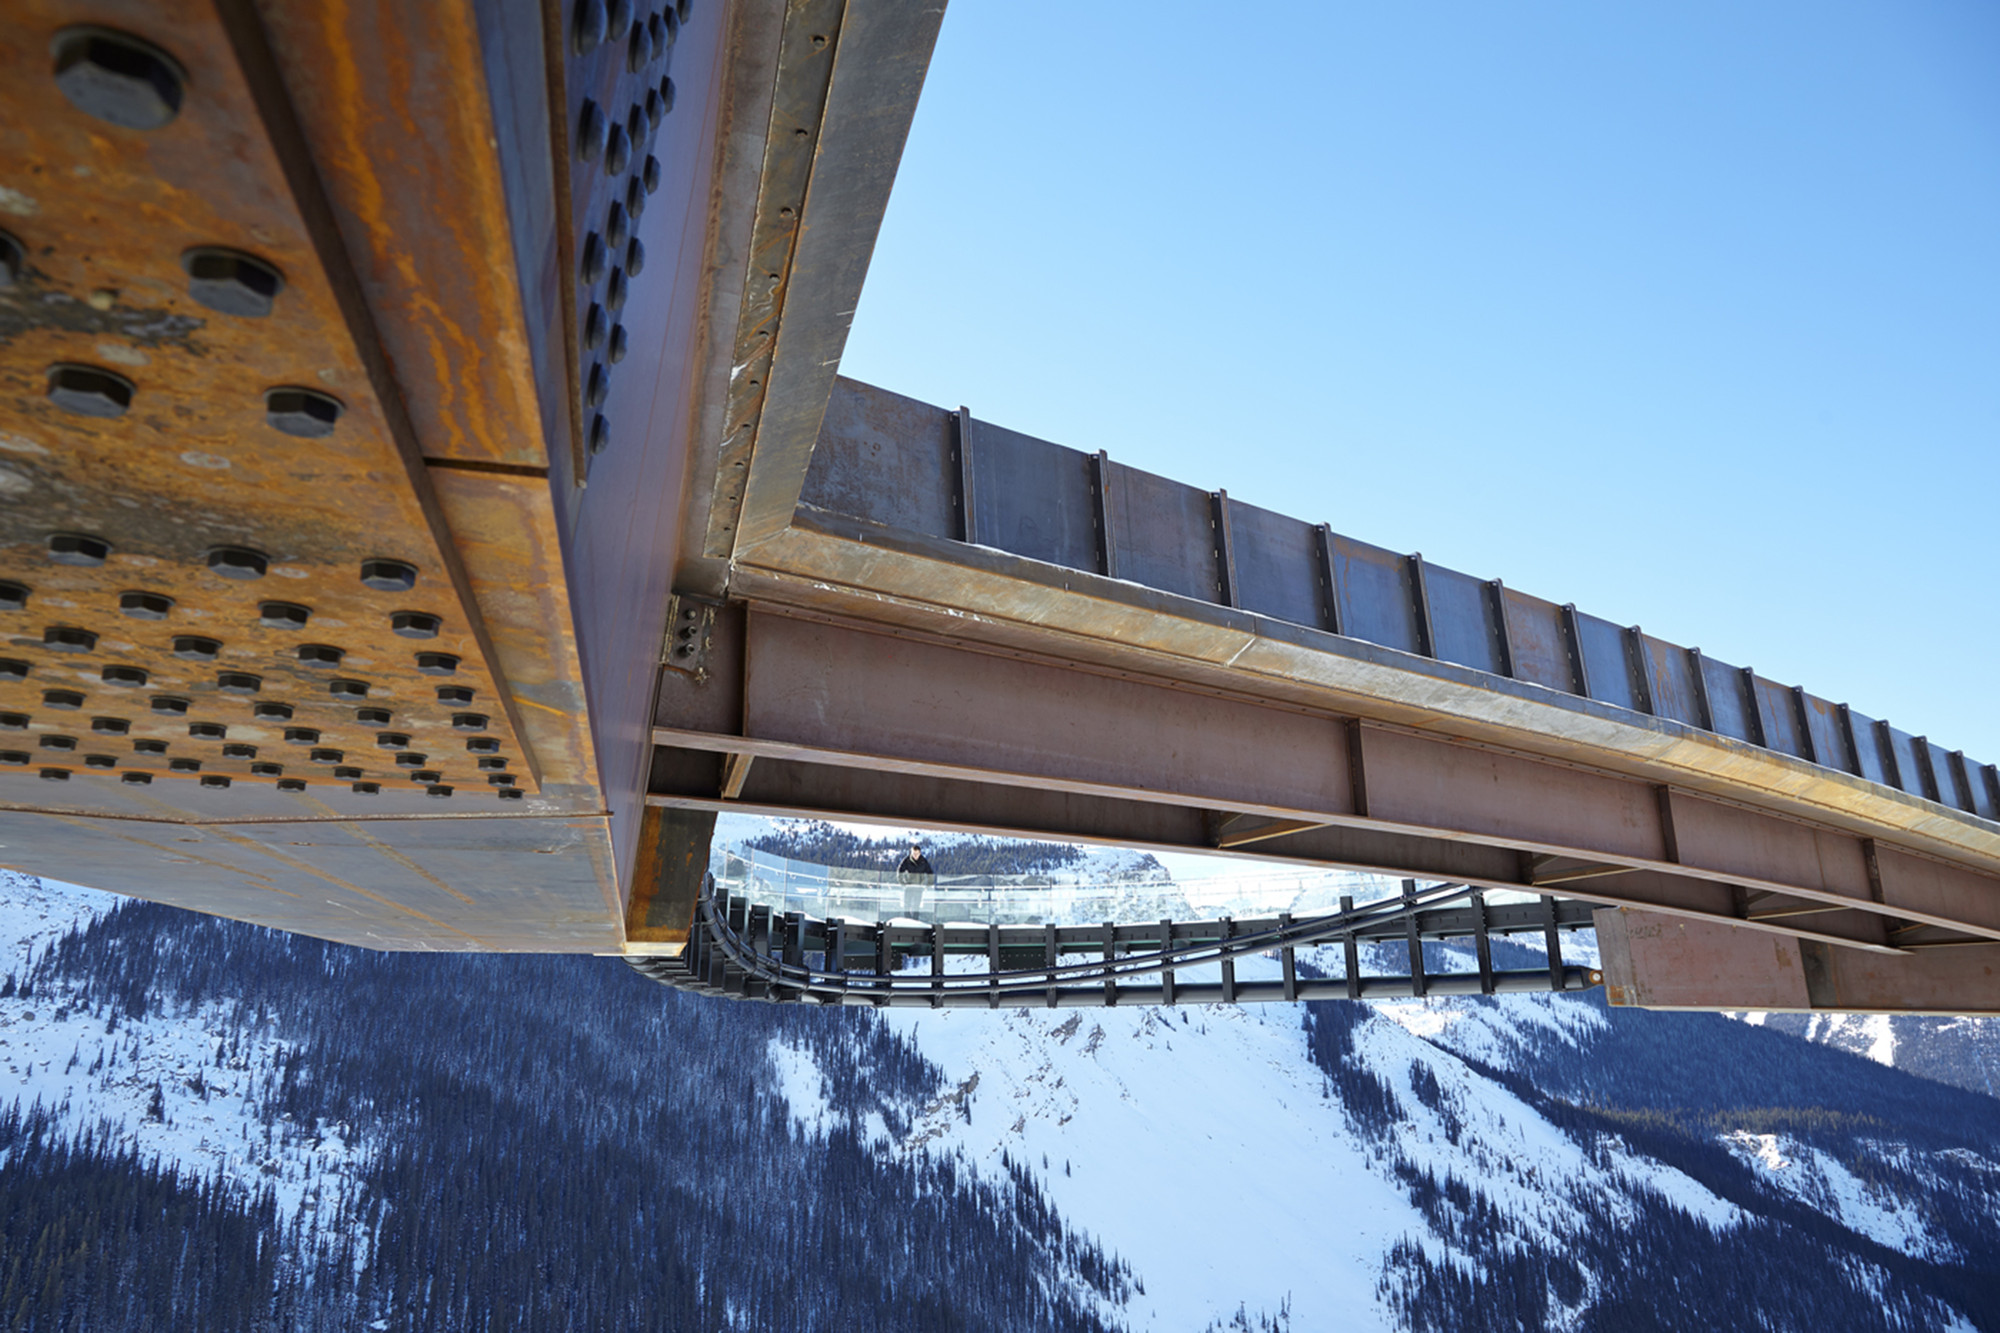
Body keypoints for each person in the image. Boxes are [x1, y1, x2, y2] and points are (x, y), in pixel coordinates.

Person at [897, 842, 934, 917]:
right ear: (911, 853)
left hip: (919, 887)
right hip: (909, 887)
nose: (915, 856)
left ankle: (915, 921)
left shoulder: (924, 862)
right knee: (907, 905)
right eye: (913, 854)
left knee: (916, 906)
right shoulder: (906, 861)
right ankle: (907, 921)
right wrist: (903, 883)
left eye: (917, 854)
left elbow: (930, 873)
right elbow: (899, 871)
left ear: (920, 853)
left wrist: (928, 884)